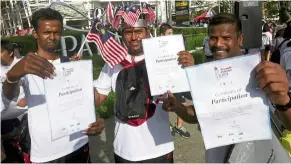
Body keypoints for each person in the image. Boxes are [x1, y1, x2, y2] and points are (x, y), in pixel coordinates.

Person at [162, 13, 291, 162]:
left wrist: (282, 99)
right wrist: (178, 107)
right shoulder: (206, 74)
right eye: (213, 38)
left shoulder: (258, 72)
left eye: (226, 38)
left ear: (240, 39)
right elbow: (198, 115)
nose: (218, 44)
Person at [1, 8, 105, 163]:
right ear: (35, 33)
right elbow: (6, 99)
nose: (52, 37)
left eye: (56, 32)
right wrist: (12, 76)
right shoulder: (26, 64)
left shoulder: (70, 64)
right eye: (46, 32)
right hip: (46, 153)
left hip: (78, 144)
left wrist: (97, 121)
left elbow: (88, 101)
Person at [93, 5, 193, 162]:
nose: (133, 37)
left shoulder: (166, 57)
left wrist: (191, 70)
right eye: (128, 32)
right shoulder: (113, 62)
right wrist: (78, 83)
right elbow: (98, 97)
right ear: (122, 34)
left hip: (159, 148)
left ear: (147, 32)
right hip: (125, 150)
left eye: (138, 31)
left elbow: (193, 94)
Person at [159, 23, 191, 138]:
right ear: (162, 35)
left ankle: (179, 126)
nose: (172, 35)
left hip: (177, 78)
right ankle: (167, 125)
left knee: (182, 102)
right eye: (169, 33)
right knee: (163, 103)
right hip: (164, 80)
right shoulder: (157, 48)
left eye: (172, 33)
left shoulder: (175, 45)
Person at [1, 40, 26, 163]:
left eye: (0, 52)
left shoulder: (22, 65)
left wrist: (28, 98)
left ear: (10, 53)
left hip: (21, 110)